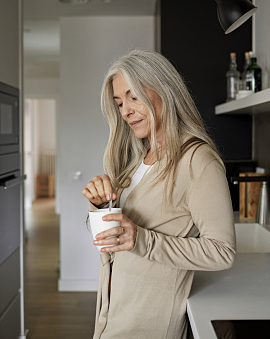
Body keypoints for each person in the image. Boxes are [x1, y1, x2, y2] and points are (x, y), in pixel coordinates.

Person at [82, 49, 236, 339]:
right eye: (119, 102)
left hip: (149, 319)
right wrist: (100, 207)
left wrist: (141, 239)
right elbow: (117, 236)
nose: (125, 110)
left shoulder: (197, 160)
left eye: (133, 96)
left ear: (164, 90)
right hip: (114, 309)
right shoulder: (140, 157)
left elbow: (222, 252)